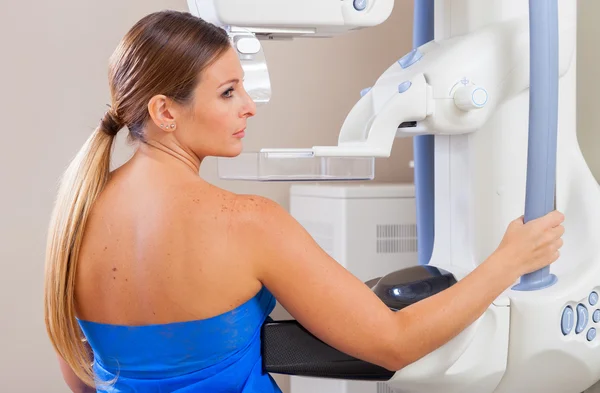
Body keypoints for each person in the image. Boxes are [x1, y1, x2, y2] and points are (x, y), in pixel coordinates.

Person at [43, 10, 565, 393]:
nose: (248, 107)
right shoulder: (247, 223)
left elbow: (81, 377)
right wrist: (507, 262)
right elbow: (395, 343)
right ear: (165, 111)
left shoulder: (74, 219)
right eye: (228, 92)